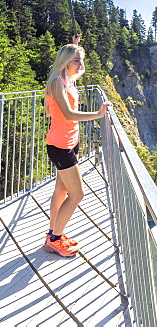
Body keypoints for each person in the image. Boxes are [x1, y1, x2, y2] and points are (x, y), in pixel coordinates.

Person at [43, 34, 110, 257]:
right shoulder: (56, 83)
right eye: (76, 61)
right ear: (65, 62)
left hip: (70, 143)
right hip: (60, 146)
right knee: (77, 194)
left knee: (62, 189)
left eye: (82, 61)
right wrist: (99, 114)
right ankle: (55, 239)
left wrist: (76, 48)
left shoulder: (68, 77)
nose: (80, 66)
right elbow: (69, 114)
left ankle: (54, 232)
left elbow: (77, 68)